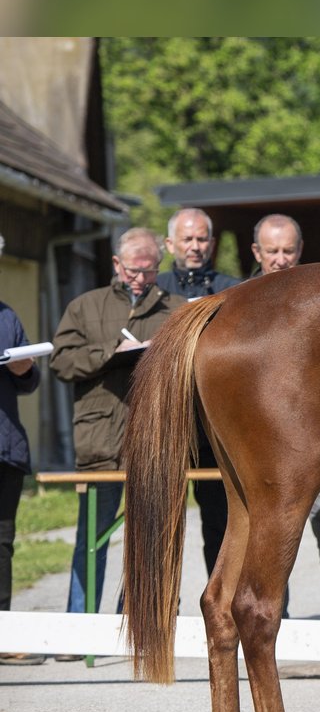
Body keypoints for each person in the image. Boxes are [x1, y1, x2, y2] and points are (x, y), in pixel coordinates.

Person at [49, 228, 186, 648]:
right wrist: (110, 352)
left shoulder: (177, 309)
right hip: (100, 441)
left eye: (149, 271)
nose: (141, 278)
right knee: (91, 541)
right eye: (133, 270)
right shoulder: (85, 306)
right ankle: (80, 630)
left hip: (155, 441)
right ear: (116, 265)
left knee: (154, 536)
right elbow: (61, 362)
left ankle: (143, 630)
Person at [248, 214, 320, 622]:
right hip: (261, 449)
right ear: (256, 253)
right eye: (272, 251)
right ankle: (275, 617)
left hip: (316, 443)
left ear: (300, 251)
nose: (280, 259)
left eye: (288, 251)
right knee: (266, 533)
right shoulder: (239, 307)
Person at [158, 208, 241, 577]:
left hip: (216, 427)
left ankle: (221, 607)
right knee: (162, 527)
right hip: (168, 427)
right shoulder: (156, 290)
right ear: (170, 243)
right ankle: (161, 613)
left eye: (202, 239)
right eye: (187, 239)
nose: (195, 247)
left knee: (221, 525)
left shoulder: (234, 289)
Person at [0, 233, 46, 664]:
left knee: (2, 543)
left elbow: (29, 383)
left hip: (4, 448)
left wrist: (23, 368)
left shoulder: (6, 316)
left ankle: (3, 633)